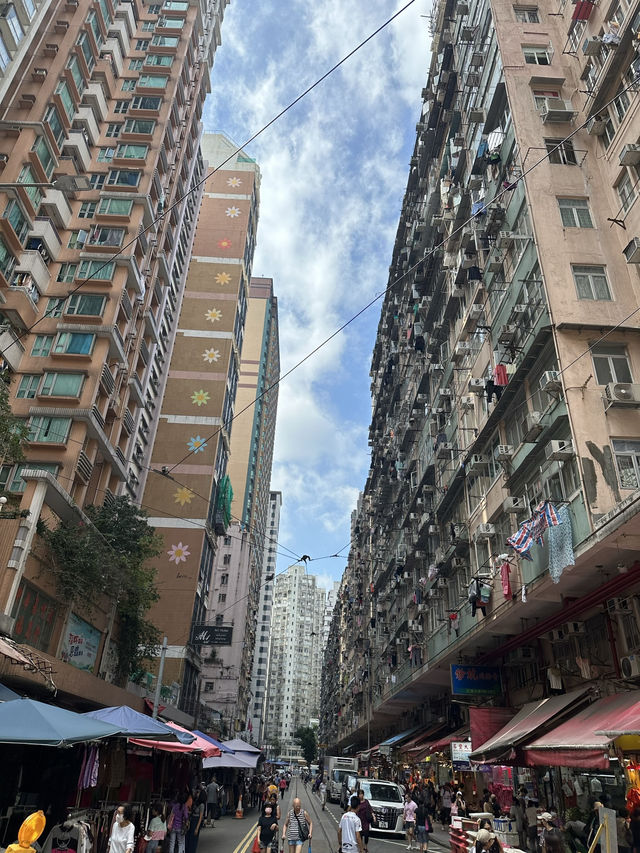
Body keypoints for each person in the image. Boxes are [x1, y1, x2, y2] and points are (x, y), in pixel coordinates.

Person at [186, 788, 206, 853]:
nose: (197, 793)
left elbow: (201, 817)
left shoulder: (202, 805)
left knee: (194, 838)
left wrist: (197, 828)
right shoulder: (196, 802)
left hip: (196, 821)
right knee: (189, 837)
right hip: (192, 820)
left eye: (199, 793)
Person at [356, 789, 376, 853]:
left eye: (361, 794)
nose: (360, 795)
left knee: (366, 834)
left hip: (366, 820)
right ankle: (361, 848)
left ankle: (366, 847)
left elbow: (370, 809)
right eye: (359, 794)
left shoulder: (366, 801)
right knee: (360, 835)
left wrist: (373, 816)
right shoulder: (357, 802)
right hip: (359, 820)